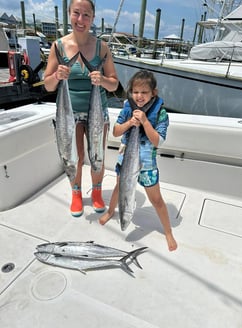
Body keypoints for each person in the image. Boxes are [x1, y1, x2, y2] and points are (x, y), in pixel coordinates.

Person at [44, 0, 119, 217]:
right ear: (69, 14)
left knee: (97, 154)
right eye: (77, 13)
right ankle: (76, 193)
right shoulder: (57, 47)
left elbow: (114, 84)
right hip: (69, 112)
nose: (81, 19)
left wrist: (102, 79)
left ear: (93, 18)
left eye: (86, 15)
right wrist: (57, 76)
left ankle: (96, 193)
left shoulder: (101, 48)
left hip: (97, 111)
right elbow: (48, 85)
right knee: (73, 155)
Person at [99, 70, 177, 252]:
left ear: (153, 93)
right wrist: (130, 123)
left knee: (156, 200)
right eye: (135, 92)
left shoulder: (161, 114)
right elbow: (116, 131)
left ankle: (168, 231)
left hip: (147, 165)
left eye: (144, 92)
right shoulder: (128, 109)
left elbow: (158, 140)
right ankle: (111, 212)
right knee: (119, 187)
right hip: (126, 160)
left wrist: (144, 122)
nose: (139, 96)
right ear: (131, 92)